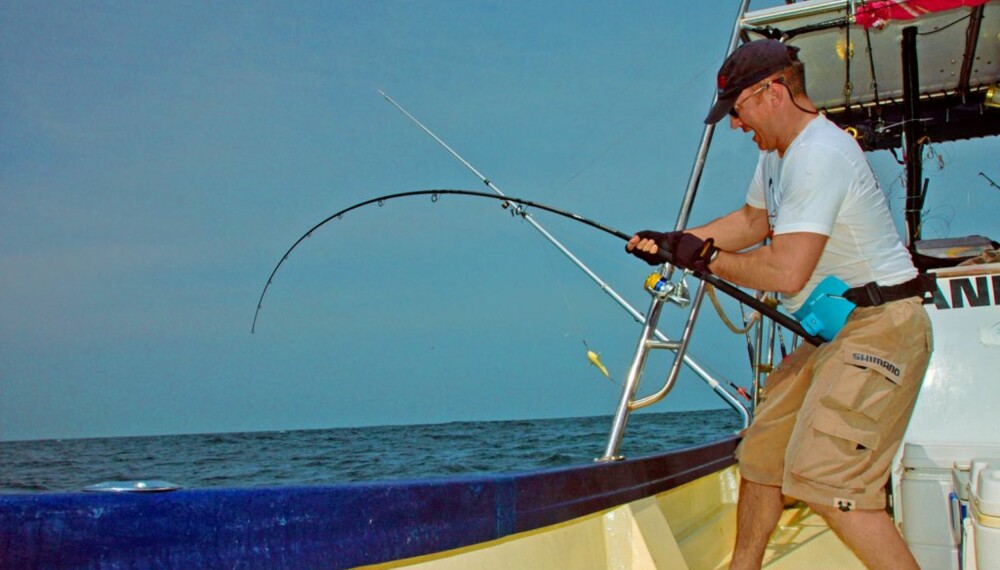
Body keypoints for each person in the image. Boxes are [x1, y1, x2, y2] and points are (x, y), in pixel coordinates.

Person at [626, 39, 935, 570]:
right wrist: (676, 242)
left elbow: (785, 269)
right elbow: (752, 222)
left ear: (772, 92)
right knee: (763, 454)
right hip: (835, 328)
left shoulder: (820, 154)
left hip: (883, 325)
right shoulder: (778, 155)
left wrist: (707, 258)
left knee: (825, 478)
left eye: (737, 110)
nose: (736, 125)